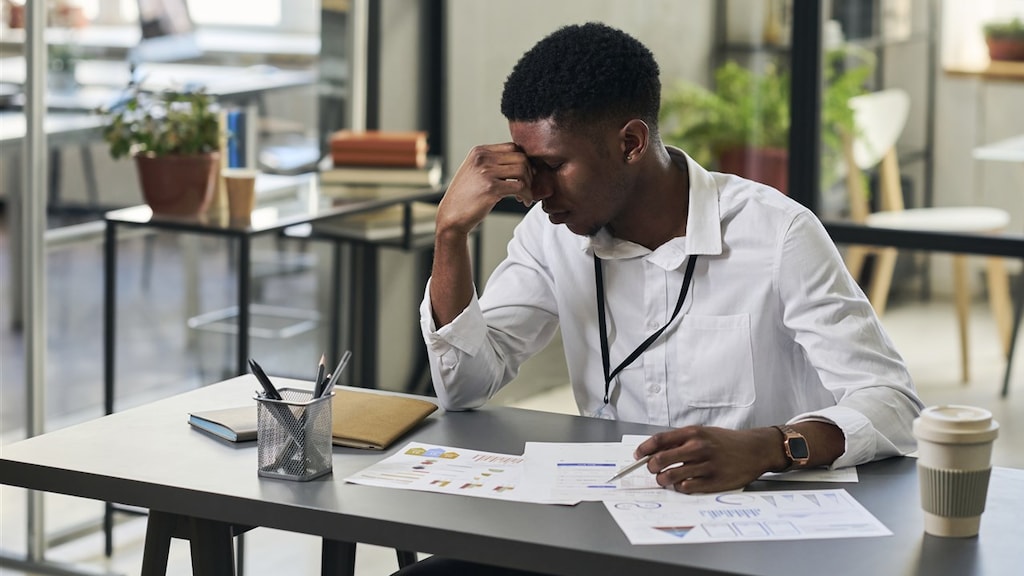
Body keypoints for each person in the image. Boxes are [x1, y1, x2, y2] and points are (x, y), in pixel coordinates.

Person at [398, 22, 922, 576]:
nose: (536, 190)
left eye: (552, 166)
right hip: (605, 530)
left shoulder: (777, 233)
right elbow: (463, 386)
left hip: (750, 540)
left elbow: (891, 402)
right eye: (528, 168)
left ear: (631, 142)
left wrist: (771, 447)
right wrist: (450, 236)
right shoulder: (550, 233)